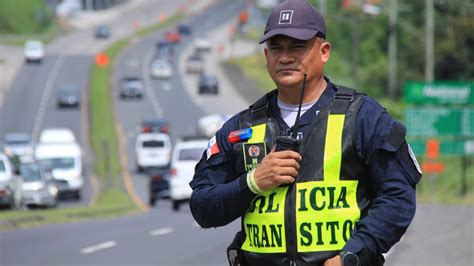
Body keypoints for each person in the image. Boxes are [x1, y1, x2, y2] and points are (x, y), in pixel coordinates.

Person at [189, 0, 422, 265]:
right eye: (276, 47)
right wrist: (253, 182)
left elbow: (398, 196)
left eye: (297, 46)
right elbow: (202, 206)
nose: (285, 57)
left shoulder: (363, 117)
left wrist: (351, 255)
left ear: (324, 52)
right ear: (266, 56)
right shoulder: (240, 128)